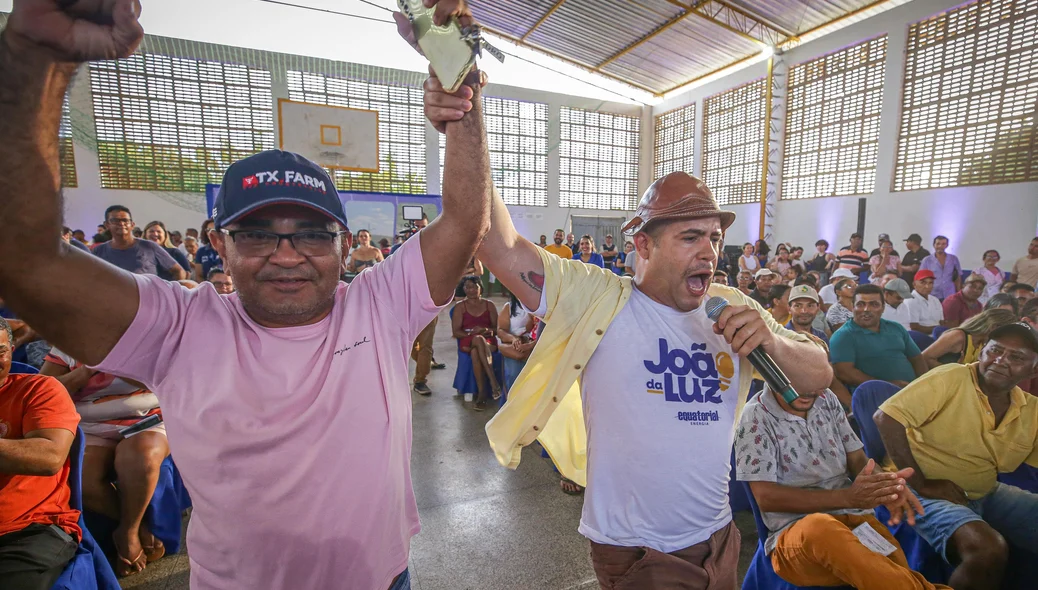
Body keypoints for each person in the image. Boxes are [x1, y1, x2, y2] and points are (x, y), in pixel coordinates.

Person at [0, 1, 490, 587]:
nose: (287, 255)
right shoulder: (179, 324)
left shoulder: (378, 304)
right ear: (218, 243)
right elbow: (25, 259)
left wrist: (462, 96)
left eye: (311, 233)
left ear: (342, 242)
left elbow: (464, 219)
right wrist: (39, 57)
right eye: (259, 234)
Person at [419, 23, 835, 588]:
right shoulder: (598, 300)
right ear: (642, 244)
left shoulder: (731, 307)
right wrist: (466, 100)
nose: (710, 251)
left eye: (714, 238)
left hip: (719, 538)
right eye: (690, 237)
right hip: (638, 553)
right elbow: (496, 241)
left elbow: (819, 374)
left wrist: (774, 340)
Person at [875, 323, 1038, 590]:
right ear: (982, 351)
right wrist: (921, 483)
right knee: (987, 550)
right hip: (918, 490)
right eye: (995, 350)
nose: (1000, 360)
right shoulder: (951, 377)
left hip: (984, 491)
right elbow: (886, 418)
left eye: (1016, 357)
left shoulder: (1030, 409)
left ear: (1034, 369)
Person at [735, 383, 943, 590]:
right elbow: (767, 497)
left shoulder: (825, 396)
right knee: (820, 528)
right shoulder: (755, 416)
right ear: (777, 375)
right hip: (795, 532)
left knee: (895, 574)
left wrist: (885, 485)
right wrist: (848, 498)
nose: (811, 394)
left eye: (818, 385)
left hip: (855, 520)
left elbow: (858, 460)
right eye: (803, 384)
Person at [39, 346, 170, 576]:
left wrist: (119, 361)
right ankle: (136, 527)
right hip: (89, 423)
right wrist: (86, 370)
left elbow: (170, 378)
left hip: (148, 416)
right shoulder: (67, 339)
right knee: (81, 480)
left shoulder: (145, 333)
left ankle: (128, 533)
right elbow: (42, 392)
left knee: (142, 459)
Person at [0, 317, 82, 589]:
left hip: (27, 529)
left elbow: (49, 457)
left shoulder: (38, 389)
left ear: (12, 351)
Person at [830, 284, 927, 388]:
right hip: (875, 395)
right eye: (861, 304)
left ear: (883, 308)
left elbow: (917, 359)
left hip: (913, 390)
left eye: (874, 304)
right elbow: (845, 373)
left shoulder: (896, 328)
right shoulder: (843, 336)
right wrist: (888, 385)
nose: (866, 309)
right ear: (853, 307)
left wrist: (923, 384)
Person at [92, 206, 187, 280]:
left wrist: (170, 295)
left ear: (132, 225)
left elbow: (179, 271)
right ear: (107, 225)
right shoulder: (99, 251)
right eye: (115, 220)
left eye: (125, 220)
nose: (121, 224)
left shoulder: (149, 246)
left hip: (147, 301)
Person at [451, 276, 500, 410]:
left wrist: (486, 330)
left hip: (487, 340)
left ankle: (482, 395)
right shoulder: (460, 307)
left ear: (480, 288)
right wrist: (471, 334)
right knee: (477, 340)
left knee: (476, 351)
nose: (471, 290)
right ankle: (493, 382)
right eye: (467, 287)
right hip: (467, 339)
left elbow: (497, 329)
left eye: (474, 287)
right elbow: (456, 332)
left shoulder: (489, 305)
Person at [921, 308, 1017, 369]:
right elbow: (925, 358)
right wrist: (955, 373)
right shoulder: (957, 336)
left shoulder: (982, 343)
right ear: (994, 327)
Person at [496, 289, 535, 396]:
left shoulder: (537, 308)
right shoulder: (509, 307)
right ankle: (514, 402)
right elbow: (500, 330)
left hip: (533, 343)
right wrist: (513, 339)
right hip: (515, 345)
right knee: (514, 374)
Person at [920, 236, 962, 300]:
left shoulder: (953, 259)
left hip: (950, 294)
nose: (940, 246)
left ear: (947, 245)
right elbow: (921, 278)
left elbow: (958, 278)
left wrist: (959, 293)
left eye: (943, 244)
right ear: (934, 245)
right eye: (938, 244)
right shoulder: (927, 260)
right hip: (933, 295)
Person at [907, 269, 945, 334]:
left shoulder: (935, 300)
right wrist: (938, 329)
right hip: (920, 337)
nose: (927, 286)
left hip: (937, 336)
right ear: (914, 284)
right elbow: (914, 327)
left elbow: (942, 322)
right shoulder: (910, 300)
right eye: (923, 283)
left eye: (930, 283)